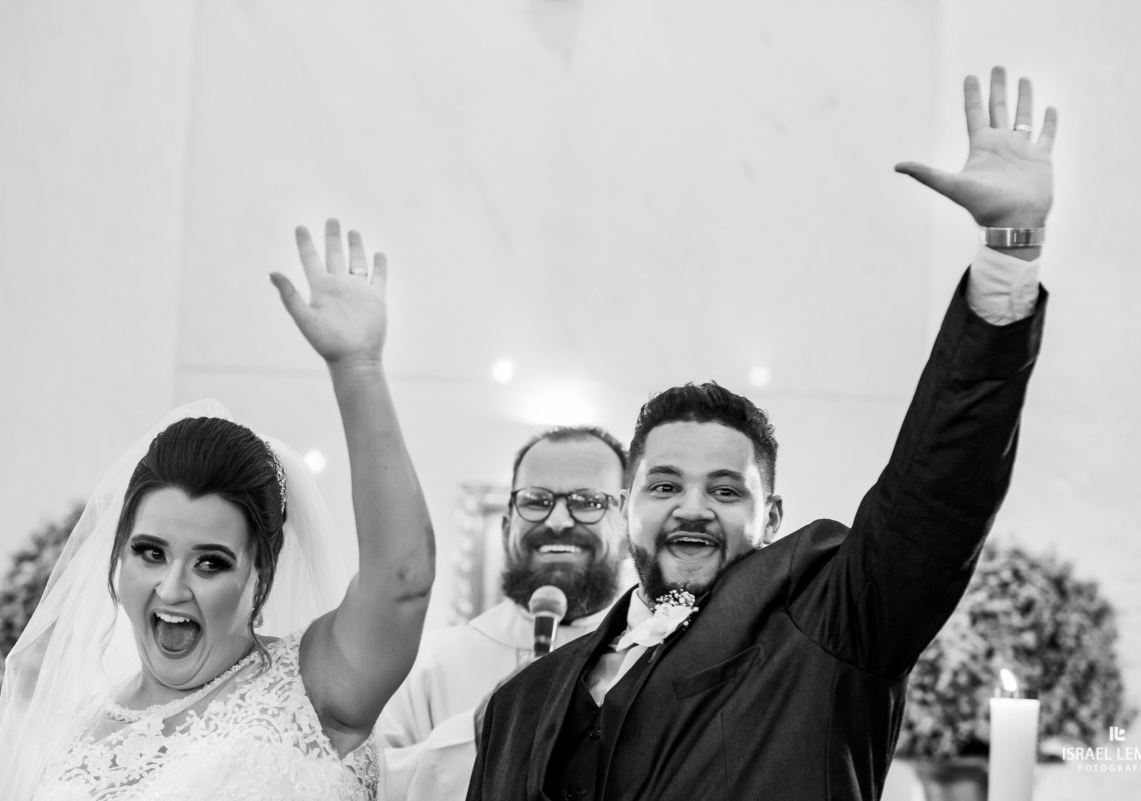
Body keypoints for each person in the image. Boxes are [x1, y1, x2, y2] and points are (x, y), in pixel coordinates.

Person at [467, 66, 1056, 801]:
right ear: (626, 508)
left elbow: (937, 498)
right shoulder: (518, 705)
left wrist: (1009, 254)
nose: (691, 507)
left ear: (771, 518)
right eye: (663, 484)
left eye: (724, 488)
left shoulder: (827, 629)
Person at [0, 220, 435, 800]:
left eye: (210, 563)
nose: (172, 588)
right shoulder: (72, 729)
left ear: (261, 571)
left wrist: (358, 370)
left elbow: (402, 581)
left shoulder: (315, 690)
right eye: (150, 552)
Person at [379, 426, 629, 801]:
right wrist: (479, 735)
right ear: (507, 527)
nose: (558, 520)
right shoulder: (430, 663)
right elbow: (370, 784)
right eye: (535, 500)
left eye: (588, 501)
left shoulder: (653, 662)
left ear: (627, 532)